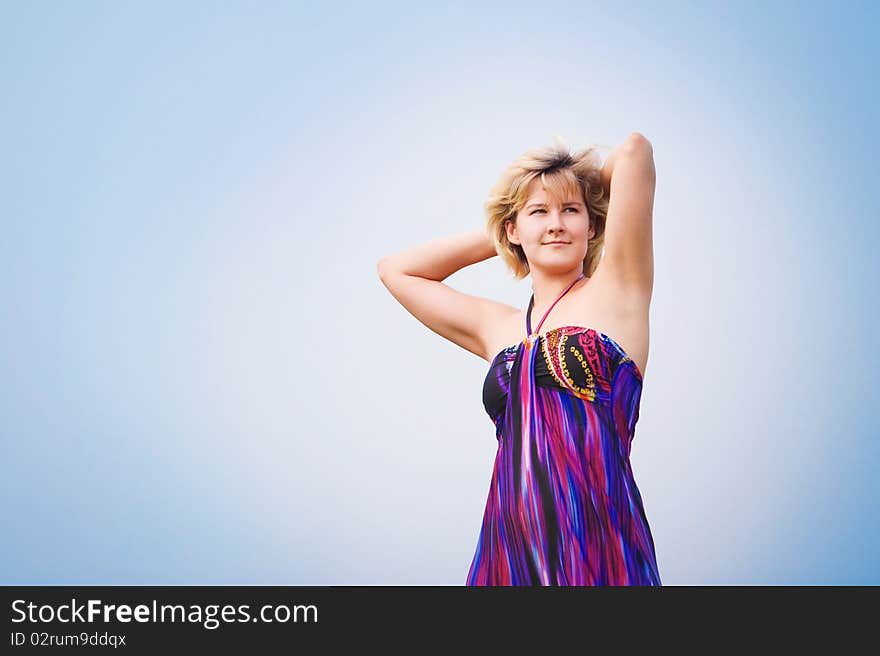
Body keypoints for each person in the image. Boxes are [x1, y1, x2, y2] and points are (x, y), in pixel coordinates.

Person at [377, 132, 661, 586]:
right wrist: (508, 232)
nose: (556, 224)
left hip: (597, 542)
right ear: (513, 228)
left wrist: (567, 194)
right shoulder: (500, 328)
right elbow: (397, 270)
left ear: (593, 226)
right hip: (508, 551)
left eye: (571, 211)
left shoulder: (618, 290)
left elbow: (634, 151)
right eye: (539, 213)